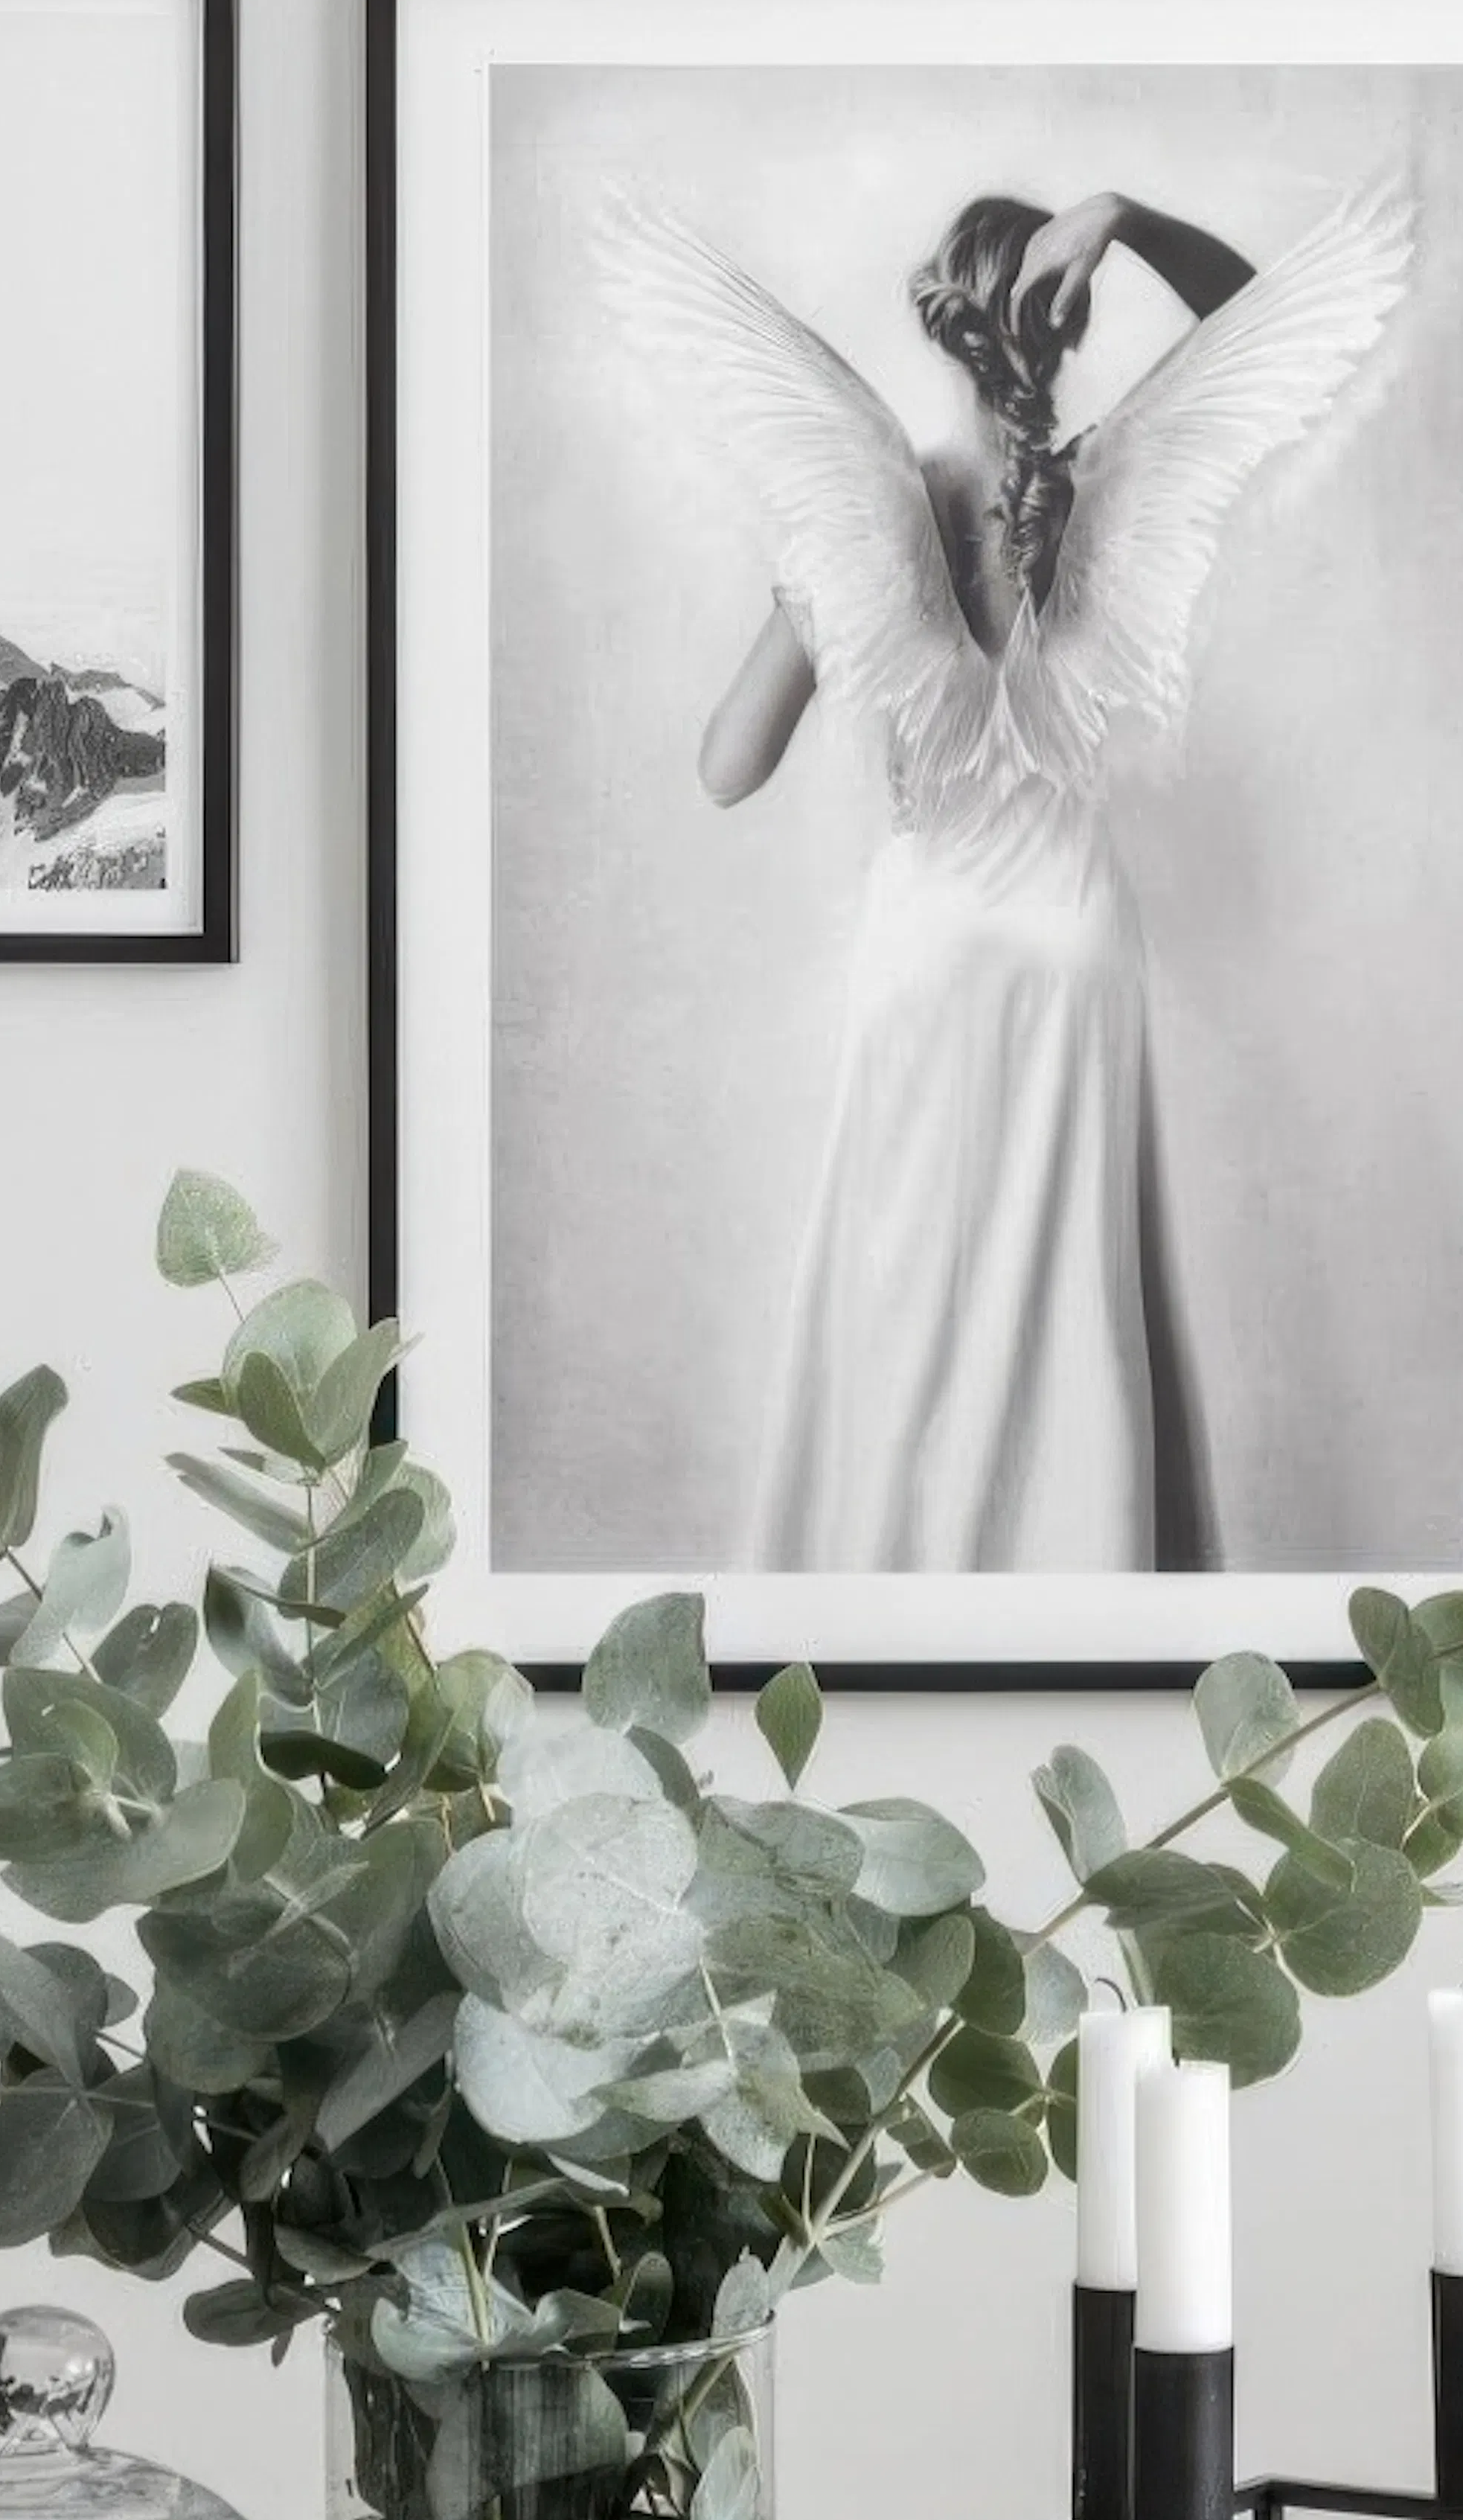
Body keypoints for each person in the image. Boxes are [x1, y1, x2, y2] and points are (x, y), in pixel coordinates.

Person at [600, 172, 1410, 1576]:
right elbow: (1262, 313)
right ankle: (1080, 1588)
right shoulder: (1102, 479)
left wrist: (821, 594)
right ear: (1073, 317)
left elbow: (727, 767)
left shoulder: (874, 511)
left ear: (943, 321)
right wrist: (1132, 215)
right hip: (1076, 943)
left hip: (927, 952)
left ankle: (891, 1596)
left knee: (907, 1289)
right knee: (1071, 1293)